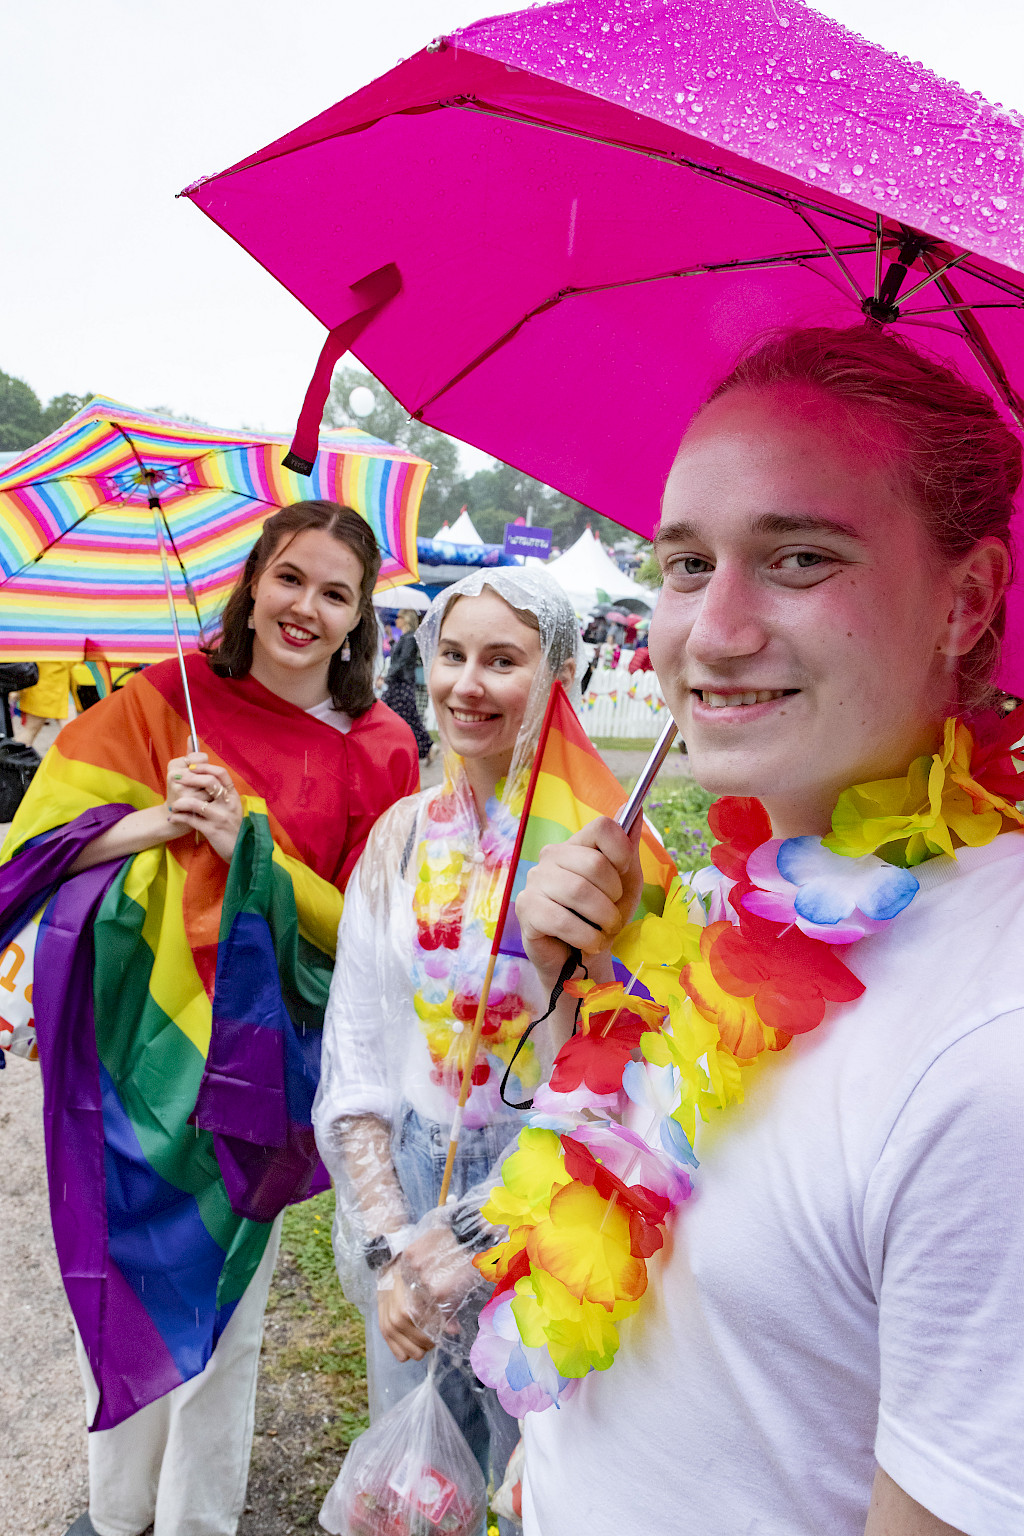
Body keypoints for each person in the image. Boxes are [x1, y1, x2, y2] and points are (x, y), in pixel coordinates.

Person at [513, 327, 1024, 1536]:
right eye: (684, 563)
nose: (713, 630)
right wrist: (578, 1012)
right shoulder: (758, 897)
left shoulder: (991, 1054)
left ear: (966, 601)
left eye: (797, 557)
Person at [0, 499, 418, 1536]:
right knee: (122, 1275)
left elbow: (370, 934)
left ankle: (195, 1524)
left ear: (363, 616)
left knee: (224, 1311)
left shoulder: (382, 748)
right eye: (290, 579)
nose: (305, 609)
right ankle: (112, 1514)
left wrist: (252, 847)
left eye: (335, 593)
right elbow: (37, 848)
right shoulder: (159, 703)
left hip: (263, 1060)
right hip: (133, 1040)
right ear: (252, 581)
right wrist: (160, 816)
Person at [313, 567, 584, 1526]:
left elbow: (613, 1086)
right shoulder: (397, 840)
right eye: (454, 655)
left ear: (558, 677)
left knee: (536, 1467)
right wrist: (394, 1247)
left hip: (554, 1194)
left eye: (503, 661)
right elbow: (354, 1061)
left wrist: (486, 1234)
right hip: (416, 1167)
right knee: (422, 1476)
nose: (468, 683)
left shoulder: (592, 854)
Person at [382, 605, 435, 761]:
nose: (396, 620)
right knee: (404, 716)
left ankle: (426, 746)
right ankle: (426, 746)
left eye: (398, 617)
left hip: (402, 684)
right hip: (398, 683)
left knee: (407, 717)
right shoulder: (405, 638)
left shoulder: (411, 638)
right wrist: (391, 639)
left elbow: (403, 661)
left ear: (405, 619)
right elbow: (397, 657)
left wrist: (388, 676)